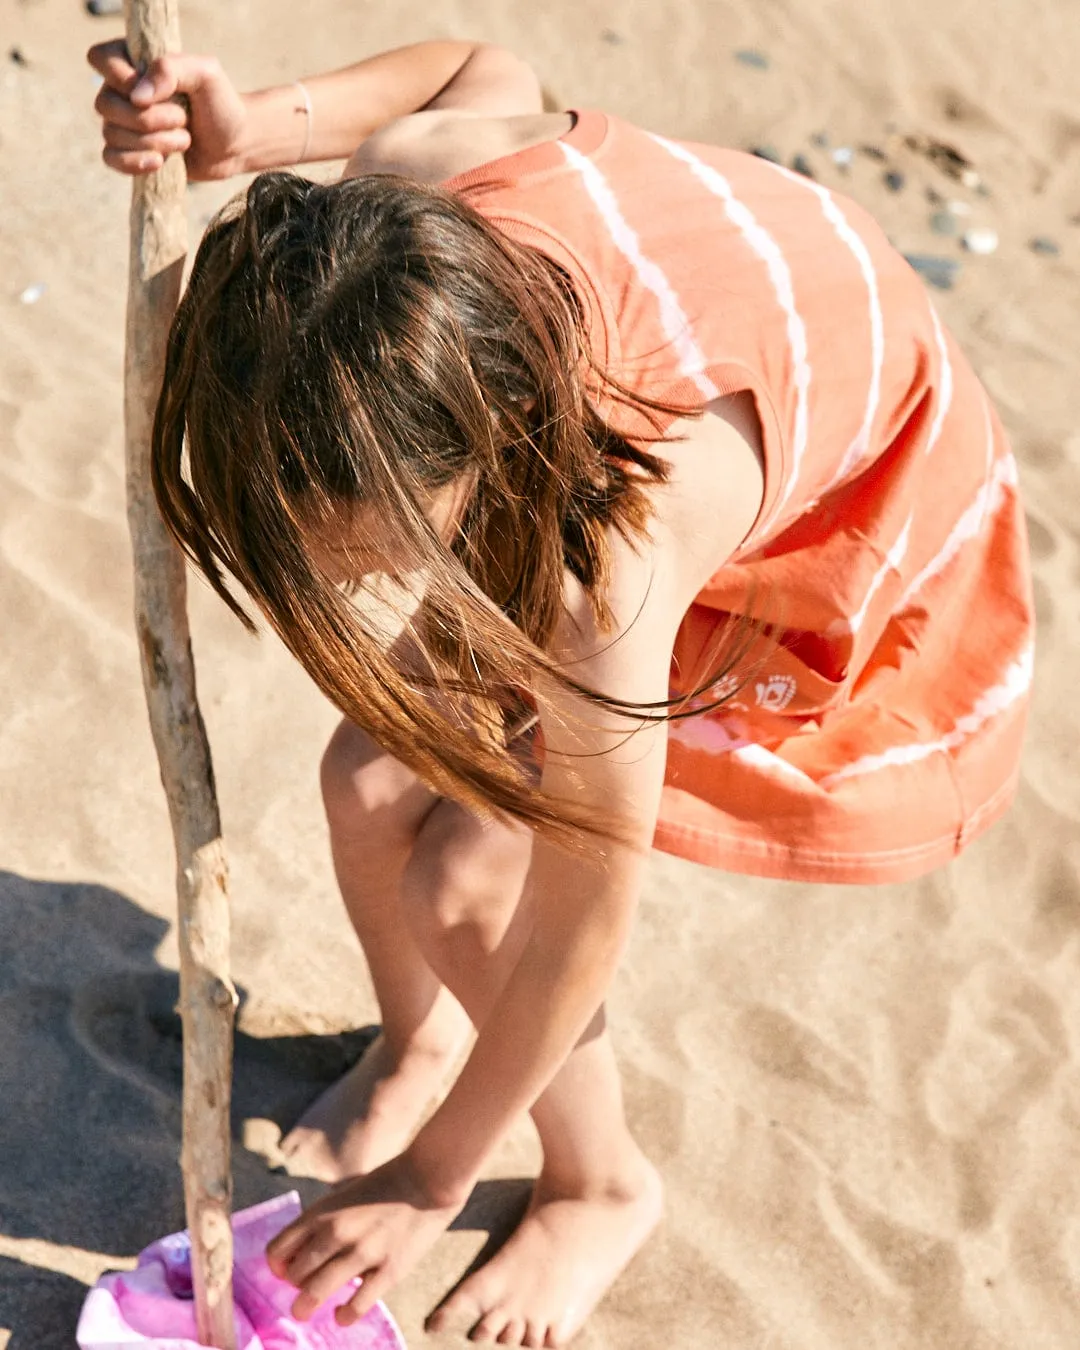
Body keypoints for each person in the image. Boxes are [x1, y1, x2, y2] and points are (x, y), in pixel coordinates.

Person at [88, 35, 1033, 1348]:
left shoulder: (617, 559)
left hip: (822, 431)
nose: (318, 564)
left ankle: (601, 1182)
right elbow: (480, 66)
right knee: (365, 777)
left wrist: (434, 1178)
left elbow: (587, 903)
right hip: (695, 290)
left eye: (343, 532)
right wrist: (250, 129)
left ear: (464, 460)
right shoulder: (406, 207)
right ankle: (418, 1041)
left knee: (465, 884)